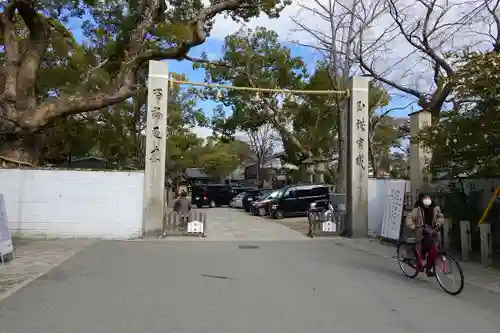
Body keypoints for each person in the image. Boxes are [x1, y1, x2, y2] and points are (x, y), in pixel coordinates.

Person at [405, 193, 444, 277]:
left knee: (434, 249)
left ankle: (428, 267)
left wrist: (438, 223)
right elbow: (409, 218)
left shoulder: (435, 208)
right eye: (425, 197)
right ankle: (423, 265)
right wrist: (413, 226)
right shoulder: (417, 209)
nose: (427, 199)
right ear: (421, 198)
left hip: (432, 232)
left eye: (428, 196)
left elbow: (440, 217)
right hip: (421, 232)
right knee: (428, 247)